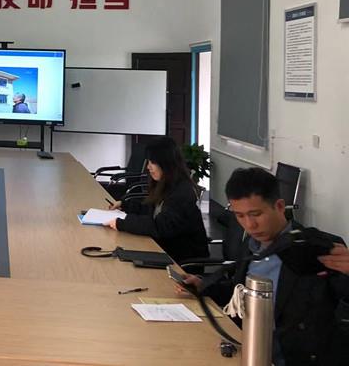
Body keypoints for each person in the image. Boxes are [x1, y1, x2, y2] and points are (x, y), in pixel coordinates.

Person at [179, 168, 349, 366]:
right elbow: (241, 292)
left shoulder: (315, 248)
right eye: (240, 216)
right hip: (248, 350)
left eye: (256, 214)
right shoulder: (251, 244)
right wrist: (204, 285)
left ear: (279, 206)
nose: (250, 225)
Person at [104, 136, 209, 263]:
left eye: (152, 162)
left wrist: (122, 223)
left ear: (166, 163)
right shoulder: (166, 183)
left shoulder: (182, 193)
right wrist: (125, 206)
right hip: (163, 248)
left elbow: (160, 227)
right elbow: (152, 211)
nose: (148, 167)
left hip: (181, 261)